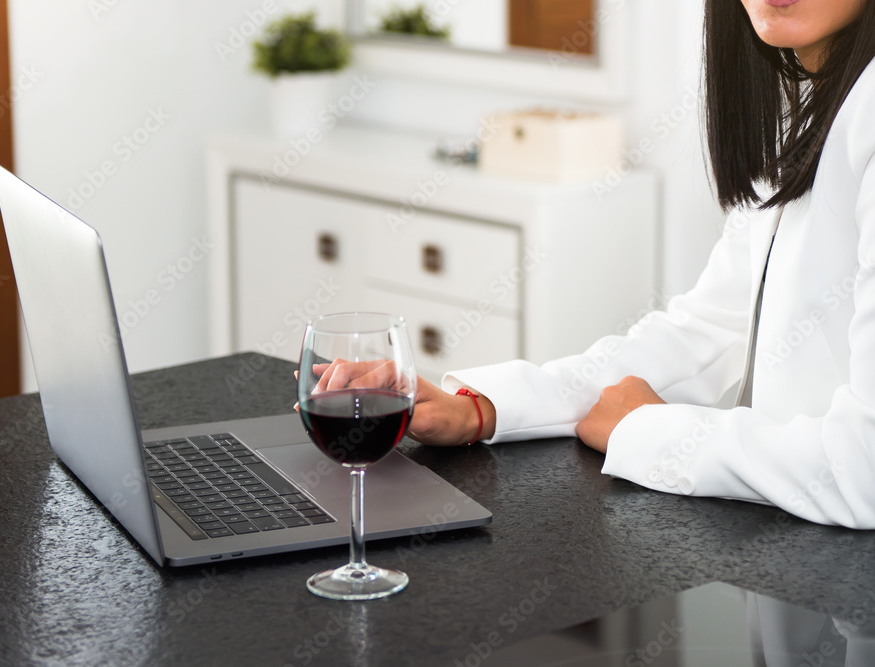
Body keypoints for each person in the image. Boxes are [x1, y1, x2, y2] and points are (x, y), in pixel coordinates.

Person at [315, 0, 875, 528]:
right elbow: (707, 331)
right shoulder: (815, 110)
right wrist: (482, 409)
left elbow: (864, 471)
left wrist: (647, 431)